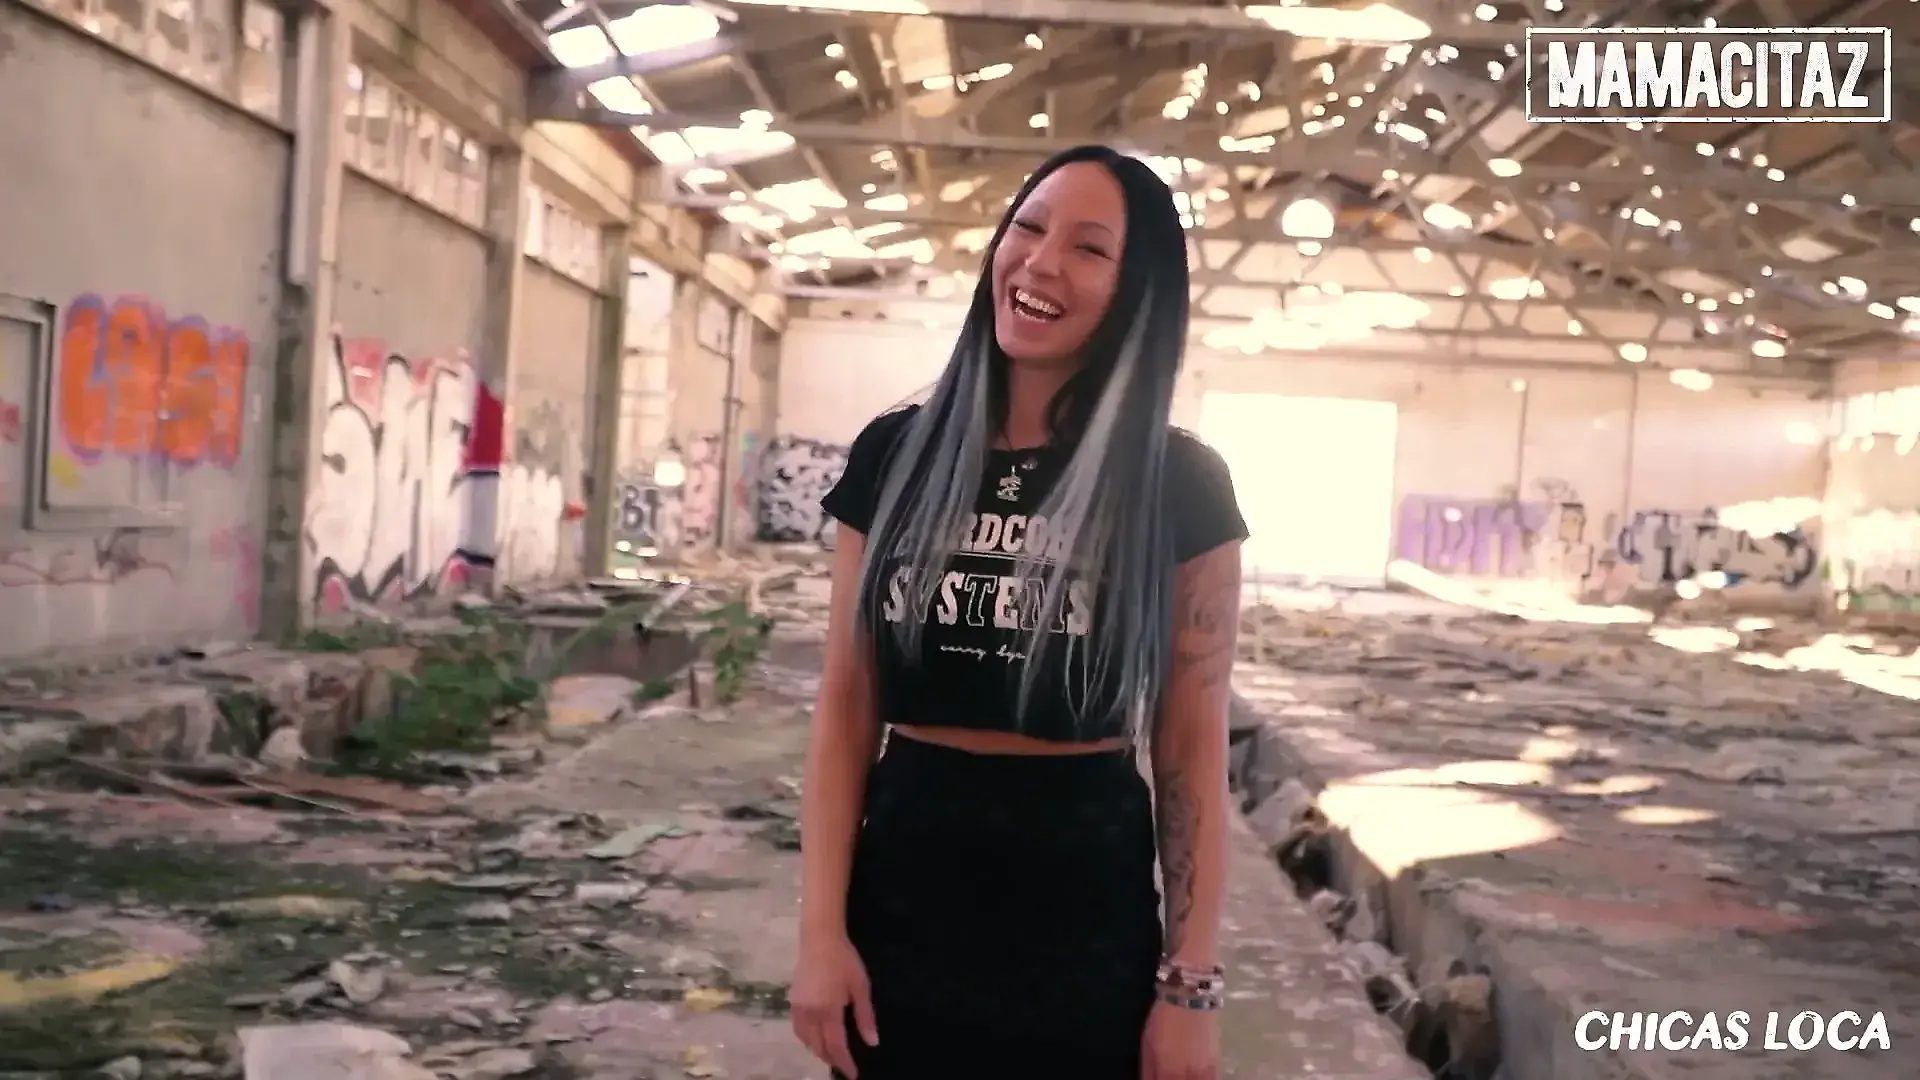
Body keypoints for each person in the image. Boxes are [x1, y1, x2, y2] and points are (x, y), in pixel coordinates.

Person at [789, 144, 1248, 1080]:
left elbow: (1191, 741)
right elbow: (846, 705)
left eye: (1088, 247)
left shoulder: (1178, 482)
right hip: (904, 894)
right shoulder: (895, 456)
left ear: (1136, 290)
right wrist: (819, 935)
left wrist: (1189, 984)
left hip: (1085, 908)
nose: (1040, 262)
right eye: (1028, 228)